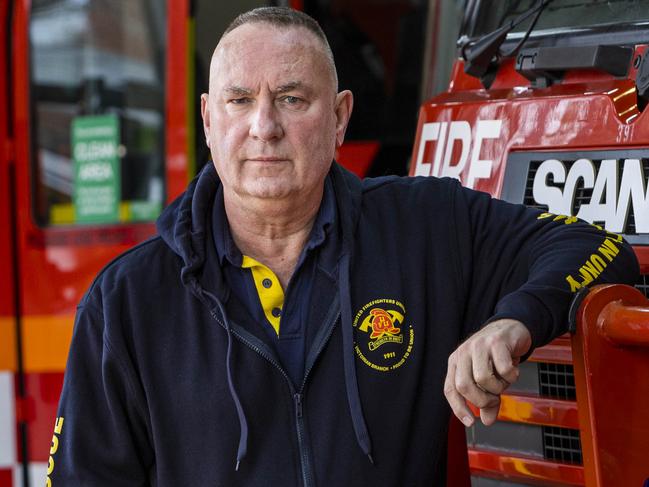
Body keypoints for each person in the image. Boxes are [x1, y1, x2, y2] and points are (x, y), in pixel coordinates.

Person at [48, 7, 639, 486]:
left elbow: (599, 247)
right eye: (239, 101)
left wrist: (516, 319)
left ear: (339, 118)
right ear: (208, 120)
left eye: (291, 98)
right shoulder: (125, 302)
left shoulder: (428, 228)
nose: (264, 127)